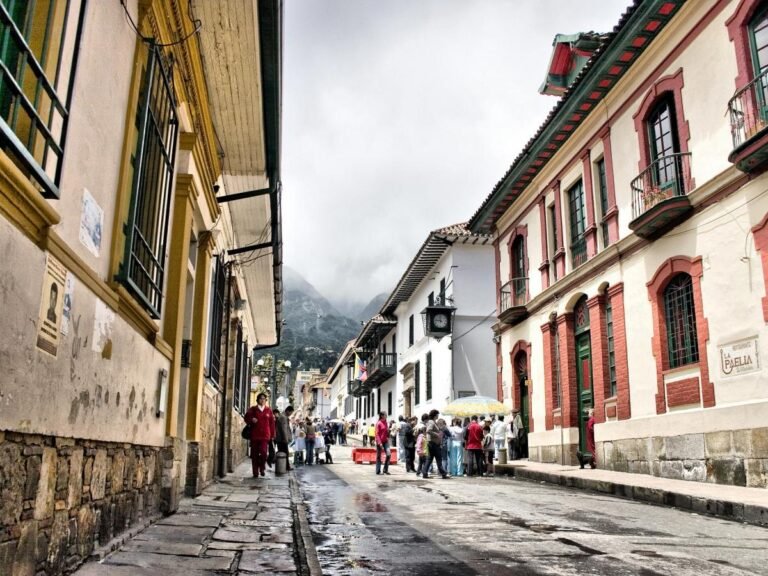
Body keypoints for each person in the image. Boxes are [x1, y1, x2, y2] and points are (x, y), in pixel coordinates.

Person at [244, 393, 275, 478]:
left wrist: (272, 435)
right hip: (255, 435)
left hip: (265, 435)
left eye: (264, 399)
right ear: (257, 400)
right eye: (261, 399)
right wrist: (251, 419)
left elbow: (272, 424)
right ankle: (255, 472)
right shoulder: (253, 409)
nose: (262, 400)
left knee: (264, 453)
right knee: (254, 454)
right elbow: (246, 418)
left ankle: (262, 467)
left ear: (266, 400)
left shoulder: (269, 410)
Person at [421, 409, 449, 479]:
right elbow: (428, 430)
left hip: (432, 443)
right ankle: (443, 473)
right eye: (437, 415)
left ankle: (425, 472)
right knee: (438, 458)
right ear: (435, 415)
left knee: (429, 459)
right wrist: (437, 434)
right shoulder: (431, 422)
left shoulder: (432, 422)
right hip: (433, 444)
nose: (438, 416)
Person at [275, 405, 294, 471]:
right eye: (291, 413)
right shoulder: (283, 417)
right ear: (288, 411)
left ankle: (283, 467)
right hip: (282, 439)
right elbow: (284, 429)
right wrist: (285, 439)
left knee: (282, 452)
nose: (291, 414)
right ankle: (286, 467)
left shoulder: (281, 416)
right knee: (285, 453)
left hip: (280, 438)